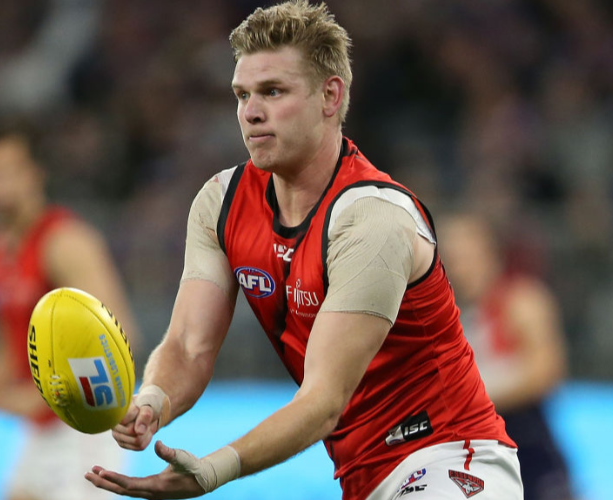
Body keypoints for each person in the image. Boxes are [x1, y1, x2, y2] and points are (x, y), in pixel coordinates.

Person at [86, 2, 523, 499]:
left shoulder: (373, 219)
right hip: (366, 477)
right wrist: (153, 401)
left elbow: (324, 400)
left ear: (330, 96)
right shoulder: (219, 203)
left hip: (450, 459)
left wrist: (212, 470)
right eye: (242, 94)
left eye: (273, 92)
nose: (250, 112)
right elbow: (188, 344)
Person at [0, 119, 139, 500]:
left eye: (5, 172)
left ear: (35, 174)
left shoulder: (65, 242)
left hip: (89, 425)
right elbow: (6, 351)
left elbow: (119, 340)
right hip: (41, 429)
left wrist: (37, 397)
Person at [438, 212, 576, 500]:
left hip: (528, 450)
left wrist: (468, 395)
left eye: (466, 253)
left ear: (490, 251)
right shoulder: (441, 316)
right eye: (450, 254)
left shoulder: (520, 300)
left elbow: (545, 371)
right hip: (470, 461)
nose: (458, 264)